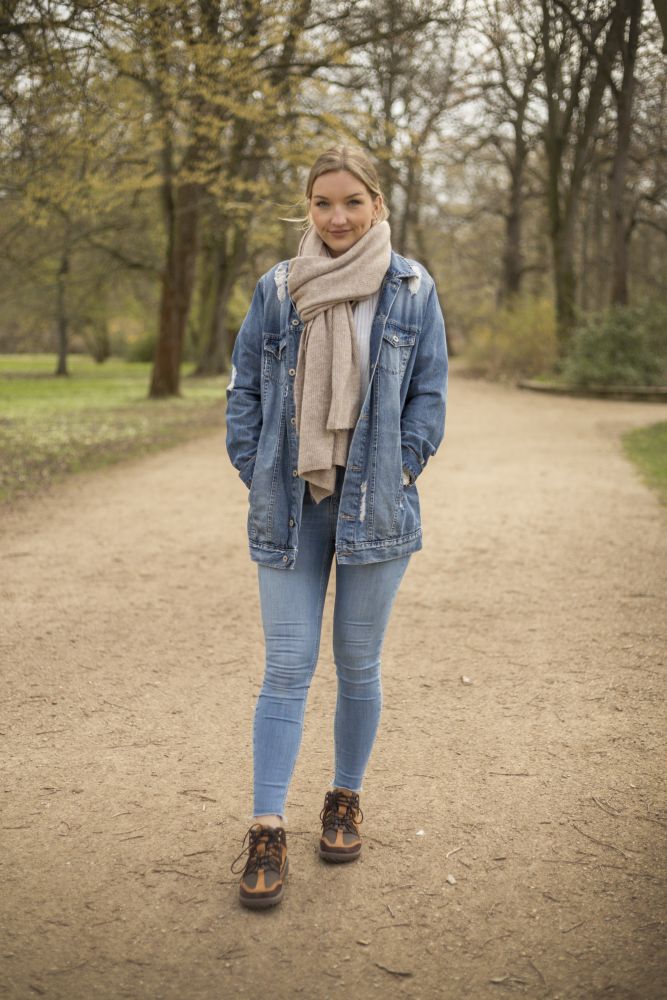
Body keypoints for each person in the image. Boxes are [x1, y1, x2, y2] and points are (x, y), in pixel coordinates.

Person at [226, 145, 448, 909]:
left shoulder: (413, 288)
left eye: (352, 201)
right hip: (289, 501)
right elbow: (243, 388)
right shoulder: (278, 288)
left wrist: (401, 468)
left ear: (377, 204)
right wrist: (256, 467)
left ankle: (344, 798)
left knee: (358, 664)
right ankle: (265, 827)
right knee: (286, 667)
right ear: (308, 208)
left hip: (376, 503)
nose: (337, 217)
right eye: (323, 203)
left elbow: (429, 394)